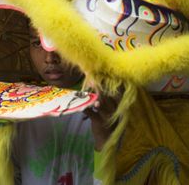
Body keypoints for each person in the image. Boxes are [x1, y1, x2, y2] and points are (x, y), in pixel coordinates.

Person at [12, 24, 116, 185]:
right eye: (37, 43)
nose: (49, 57)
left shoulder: (107, 106)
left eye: (62, 41)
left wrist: (104, 138)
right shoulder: (20, 107)